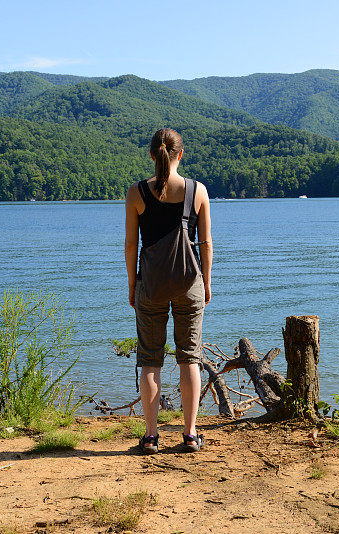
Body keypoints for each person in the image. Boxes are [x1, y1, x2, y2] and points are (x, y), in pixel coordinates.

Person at [124, 128, 212, 454]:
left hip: (151, 284)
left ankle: (150, 437)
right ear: (181, 154)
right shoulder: (196, 191)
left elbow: (132, 244)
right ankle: (189, 435)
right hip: (189, 282)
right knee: (190, 358)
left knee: (150, 361)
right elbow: (205, 243)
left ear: (151, 155)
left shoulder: (136, 194)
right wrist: (207, 282)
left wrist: (133, 285)